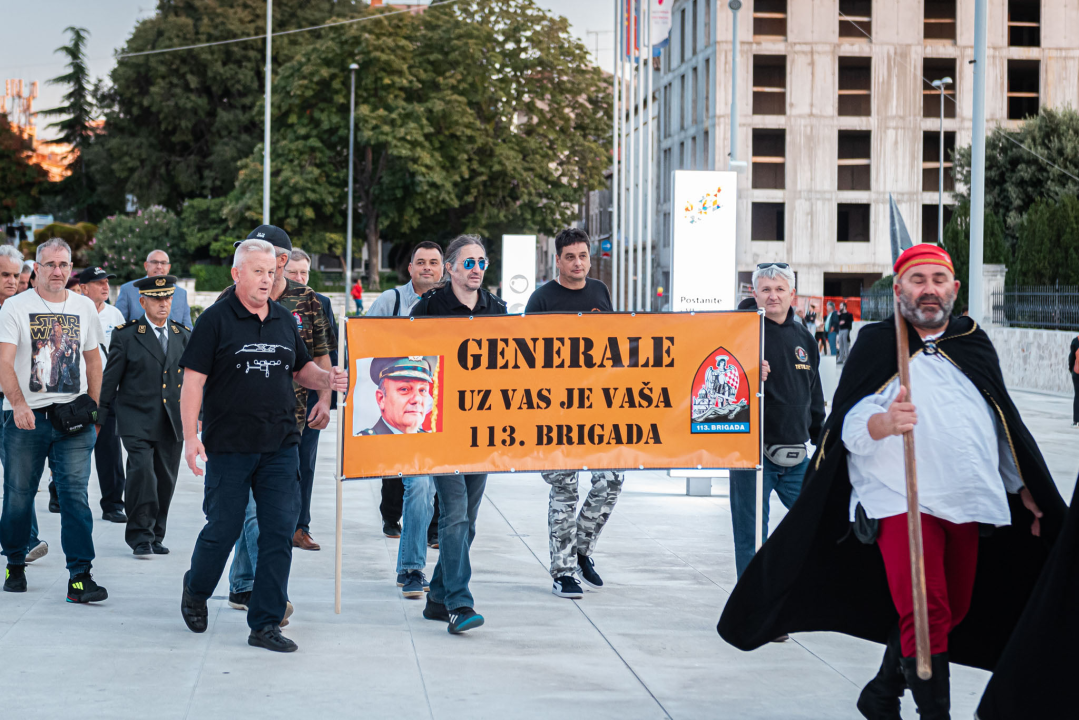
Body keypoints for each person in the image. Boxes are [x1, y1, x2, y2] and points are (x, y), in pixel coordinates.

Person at [717, 244, 1066, 720]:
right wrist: (883, 423)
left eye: (937, 280)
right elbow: (849, 426)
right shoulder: (881, 344)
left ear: (954, 289)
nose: (928, 289)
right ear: (899, 289)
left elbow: (999, 426)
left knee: (953, 610)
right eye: (917, 280)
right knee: (926, 615)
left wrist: (1025, 487)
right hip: (898, 498)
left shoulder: (973, 342)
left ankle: (882, 690)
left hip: (966, 498)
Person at [178, 239, 347, 652]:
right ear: (237, 274)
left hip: (280, 445)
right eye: (258, 271)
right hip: (230, 446)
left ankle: (265, 623)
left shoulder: (285, 321)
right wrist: (190, 437)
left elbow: (302, 367)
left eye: (271, 272)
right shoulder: (216, 320)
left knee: (277, 533)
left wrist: (326, 380)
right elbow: (193, 383)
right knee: (223, 528)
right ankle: (196, 589)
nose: (266, 279)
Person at [219, 228, 332, 599]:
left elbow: (319, 353)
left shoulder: (307, 299)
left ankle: (244, 582)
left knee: (275, 511)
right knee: (249, 510)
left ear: (280, 261)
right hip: (242, 421)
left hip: (293, 420)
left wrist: (324, 397)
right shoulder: (228, 300)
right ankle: (255, 588)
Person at [0, 238, 109, 602]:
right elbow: (4, 360)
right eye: (49, 265)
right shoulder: (16, 307)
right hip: (25, 418)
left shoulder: (83, 307)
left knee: (76, 497)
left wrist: (94, 407)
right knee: (19, 495)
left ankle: (80, 577)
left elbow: (93, 359)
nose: (57, 271)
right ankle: (15, 562)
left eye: (64, 264)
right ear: (36, 270)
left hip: (72, 420)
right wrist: (17, 403)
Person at [410, 234, 506, 634]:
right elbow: (406, 359)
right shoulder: (428, 307)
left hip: (480, 431)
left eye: (482, 262)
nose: (477, 269)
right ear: (449, 267)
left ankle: (435, 598)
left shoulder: (497, 310)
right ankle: (458, 604)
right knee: (454, 514)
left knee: (469, 518)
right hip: (439, 426)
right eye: (469, 262)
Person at [523, 228, 623, 599]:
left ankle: (580, 549)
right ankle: (563, 571)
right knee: (565, 488)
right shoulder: (541, 300)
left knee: (611, 479)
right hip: (555, 410)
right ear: (558, 260)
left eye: (583, 256)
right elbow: (526, 359)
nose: (578, 263)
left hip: (599, 406)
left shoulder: (600, 291)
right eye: (570, 257)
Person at [728, 263, 824, 582]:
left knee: (816, 528)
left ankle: (788, 604)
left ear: (792, 295)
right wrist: (746, 370)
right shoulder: (739, 333)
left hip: (797, 457)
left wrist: (821, 442)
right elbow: (717, 386)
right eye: (766, 289)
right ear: (754, 294)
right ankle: (753, 613)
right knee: (752, 540)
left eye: (780, 289)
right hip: (753, 456)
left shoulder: (806, 340)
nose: (773, 296)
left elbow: (815, 396)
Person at [98, 275, 189, 555]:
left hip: (171, 419)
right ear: (142, 301)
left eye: (167, 298)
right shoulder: (126, 336)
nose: (164, 304)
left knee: (165, 479)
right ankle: (139, 536)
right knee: (142, 475)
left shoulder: (182, 335)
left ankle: (155, 535)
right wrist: (99, 418)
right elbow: (110, 380)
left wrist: (199, 416)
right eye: (157, 298)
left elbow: (193, 381)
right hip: (136, 418)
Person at [365, 241, 444, 543]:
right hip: (397, 389)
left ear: (443, 269)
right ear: (410, 268)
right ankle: (390, 516)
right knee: (396, 459)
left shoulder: (450, 302)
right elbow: (366, 336)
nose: (427, 267)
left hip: (435, 391)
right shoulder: (391, 299)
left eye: (433, 262)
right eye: (420, 262)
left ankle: (434, 528)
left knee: (436, 464)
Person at [283, 248, 339, 552]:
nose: (300, 278)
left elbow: (326, 355)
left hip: (310, 403)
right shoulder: (272, 300)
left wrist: (325, 399)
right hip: (275, 403)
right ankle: (279, 524)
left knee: (306, 464)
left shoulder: (320, 303)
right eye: (294, 272)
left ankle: (300, 527)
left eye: (305, 273)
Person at [0, 246, 47, 563]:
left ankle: (24, 540)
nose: (12, 281)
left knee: (19, 475)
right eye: (5, 274)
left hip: (13, 403)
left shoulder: (26, 309)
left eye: (17, 275)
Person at [76, 266, 127, 523]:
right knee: (72, 447)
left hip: (108, 392)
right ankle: (61, 496)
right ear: (83, 288)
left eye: (107, 282)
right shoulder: (73, 310)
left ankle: (113, 505)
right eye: (99, 283)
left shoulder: (114, 313)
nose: (105, 287)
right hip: (77, 393)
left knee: (109, 450)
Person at [115, 249, 193, 328]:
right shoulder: (128, 290)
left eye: (163, 263)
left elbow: (188, 329)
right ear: (146, 266)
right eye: (154, 262)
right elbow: (118, 324)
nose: (159, 266)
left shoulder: (181, 293)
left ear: (169, 267)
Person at [1070, 333, 1079, 427]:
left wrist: (1071, 369)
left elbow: (1071, 357)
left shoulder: (1075, 341)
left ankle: (1076, 421)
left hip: (1077, 373)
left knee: (1077, 395)